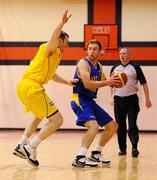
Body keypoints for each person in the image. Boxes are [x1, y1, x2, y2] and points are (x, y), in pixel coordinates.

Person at [13, 10, 74, 167]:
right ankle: (31, 146)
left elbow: (52, 76)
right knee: (58, 120)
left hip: (25, 86)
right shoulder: (49, 48)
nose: (68, 44)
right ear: (60, 40)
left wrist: (67, 82)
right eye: (66, 41)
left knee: (39, 115)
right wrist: (62, 24)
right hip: (32, 86)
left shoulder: (57, 55)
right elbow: (53, 36)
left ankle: (22, 144)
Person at [71, 39, 119, 167]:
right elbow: (87, 84)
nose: (92, 51)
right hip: (79, 99)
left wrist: (115, 79)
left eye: (94, 49)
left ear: (99, 51)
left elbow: (104, 80)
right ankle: (79, 157)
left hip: (90, 101)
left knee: (112, 126)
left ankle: (96, 153)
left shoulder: (98, 66)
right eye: (90, 48)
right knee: (94, 126)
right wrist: (107, 82)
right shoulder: (83, 63)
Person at [110, 47, 152, 157]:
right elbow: (111, 84)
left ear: (129, 55)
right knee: (120, 126)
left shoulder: (135, 67)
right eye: (120, 54)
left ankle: (134, 147)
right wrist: (111, 97)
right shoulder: (115, 67)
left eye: (124, 53)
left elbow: (144, 84)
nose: (122, 55)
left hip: (131, 100)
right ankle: (122, 149)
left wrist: (147, 99)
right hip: (118, 100)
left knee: (132, 124)